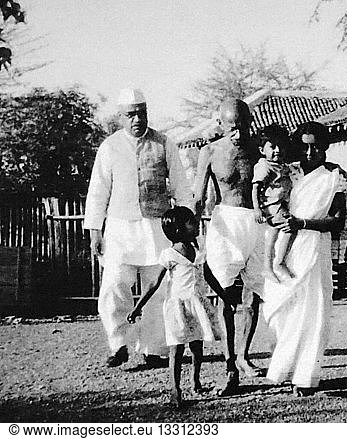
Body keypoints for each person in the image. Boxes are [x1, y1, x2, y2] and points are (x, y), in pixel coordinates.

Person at [84, 88, 193, 368]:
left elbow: (180, 185)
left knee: (158, 290)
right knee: (113, 286)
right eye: (131, 114)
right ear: (120, 117)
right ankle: (118, 343)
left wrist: (186, 223)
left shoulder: (164, 143)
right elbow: (98, 191)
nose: (137, 119)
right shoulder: (109, 147)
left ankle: (153, 348)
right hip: (120, 229)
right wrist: (95, 229)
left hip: (157, 227)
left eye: (141, 113)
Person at [262, 121, 347, 397]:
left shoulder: (334, 176)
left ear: (324, 147)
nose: (310, 152)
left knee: (313, 314)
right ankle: (282, 369)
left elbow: (337, 221)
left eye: (316, 147)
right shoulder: (288, 172)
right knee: (285, 312)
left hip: (314, 247)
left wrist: (303, 223)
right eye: (305, 146)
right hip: (284, 247)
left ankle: (306, 376)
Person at [193, 98, 263, 396]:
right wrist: (191, 236)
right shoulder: (209, 151)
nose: (239, 134)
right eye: (232, 128)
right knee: (226, 294)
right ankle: (230, 364)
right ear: (221, 125)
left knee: (255, 293)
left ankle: (245, 355)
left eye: (244, 126)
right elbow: (198, 197)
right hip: (225, 223)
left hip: (256, 223)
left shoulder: (260, 147)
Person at [127, 207, 220, 408]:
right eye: (190, 222)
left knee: (197, 345)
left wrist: (224, 295)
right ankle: (174, 389)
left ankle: (196, 382)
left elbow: (210, 276)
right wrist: (137, 307)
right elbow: (153, 283)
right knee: (177, 347)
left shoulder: (199, 250)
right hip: (178, 306)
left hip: (197, 304)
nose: (195, 225)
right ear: (178, 229)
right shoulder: (169, 254)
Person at [252, 124, 298, 281]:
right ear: (262, 150)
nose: (277, 150)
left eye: (281, 146)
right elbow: (255, 188)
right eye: (272, 147)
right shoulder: (264, 166)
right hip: (273, 206)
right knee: (290, 227)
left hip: (280, 205)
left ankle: (269, 266)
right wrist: (257, 209)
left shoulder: (280, 165)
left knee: (272, 235)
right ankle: (278, 262)